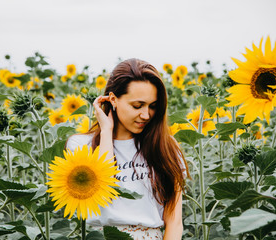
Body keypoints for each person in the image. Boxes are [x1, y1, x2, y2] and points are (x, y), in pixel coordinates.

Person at [66, 58, 189, 239]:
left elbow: (174, 222)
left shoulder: (166, 147)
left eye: (153, 106)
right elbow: (102, 192)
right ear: (113, 100)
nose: (146, 115)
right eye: (137, 106)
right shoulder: (80, 145)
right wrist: (106, 133)